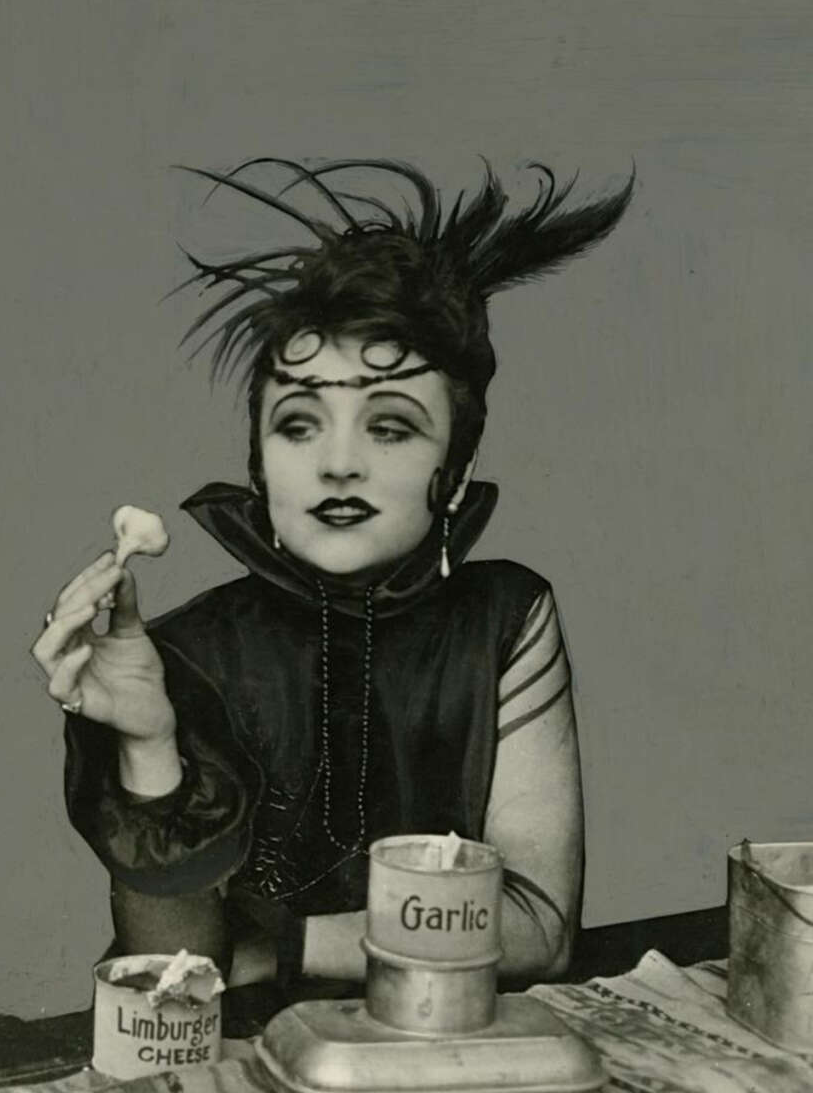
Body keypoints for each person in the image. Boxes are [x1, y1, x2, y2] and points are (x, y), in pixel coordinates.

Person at [31, 157, 633, 996]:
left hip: (446, 1050)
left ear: (454, 475)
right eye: (298, 424)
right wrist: (148, 744)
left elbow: (535, 931)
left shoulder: (505, 617)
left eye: (389, 427)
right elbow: (179, 976)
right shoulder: (187, 652)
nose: (338, 465)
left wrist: (281, 953)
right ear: (259, 463)